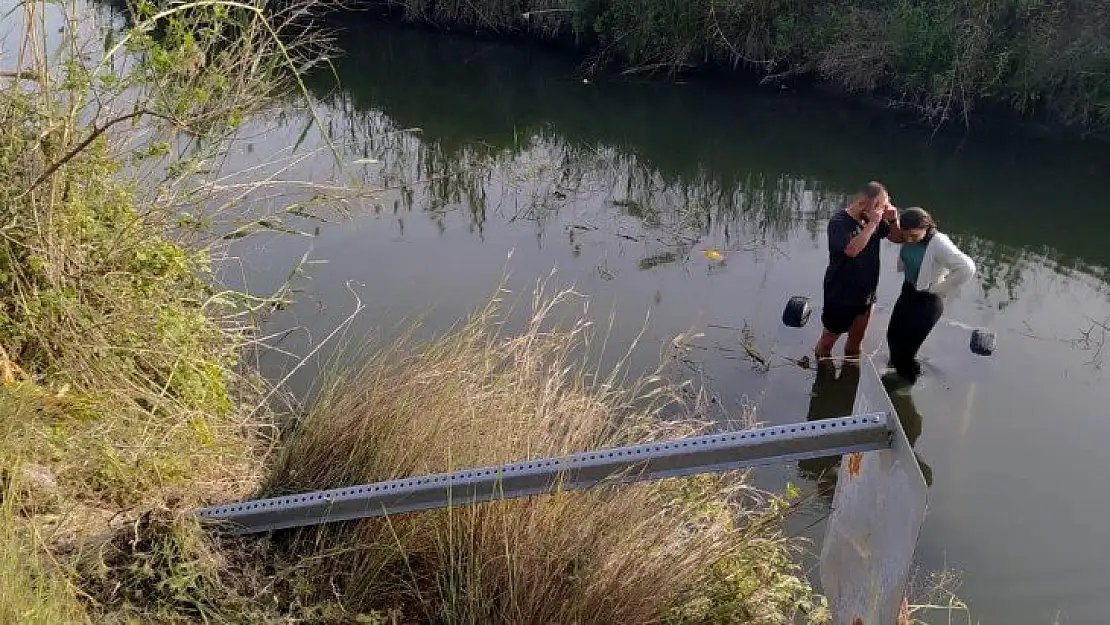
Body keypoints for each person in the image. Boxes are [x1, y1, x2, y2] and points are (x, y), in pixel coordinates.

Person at [885, 207, 976, 382]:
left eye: (914, 236)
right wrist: (890, 219)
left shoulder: (938, 243)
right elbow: (894, 233)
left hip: (928, 301)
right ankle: (896, 371)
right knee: (893, 336)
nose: (909, 240)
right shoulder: (907, 236)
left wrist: (939, 289)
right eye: (906, 236)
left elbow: (967, 268)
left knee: (908, 349)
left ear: (926, 228)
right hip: (909, 291)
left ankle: (906, 384)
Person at [815, 181, 901, 362]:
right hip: (840, 294)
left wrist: (893, 219)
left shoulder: (874, 220)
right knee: (827, 341)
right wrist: (872, 224)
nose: (882, 211)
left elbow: (897, 238)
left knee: (856, 342)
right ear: (862, 203)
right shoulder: (839, 223)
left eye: (885, 205)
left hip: (866, 295)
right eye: (879, 206)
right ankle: (822, 376)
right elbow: (851, 250)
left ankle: (850, 377)